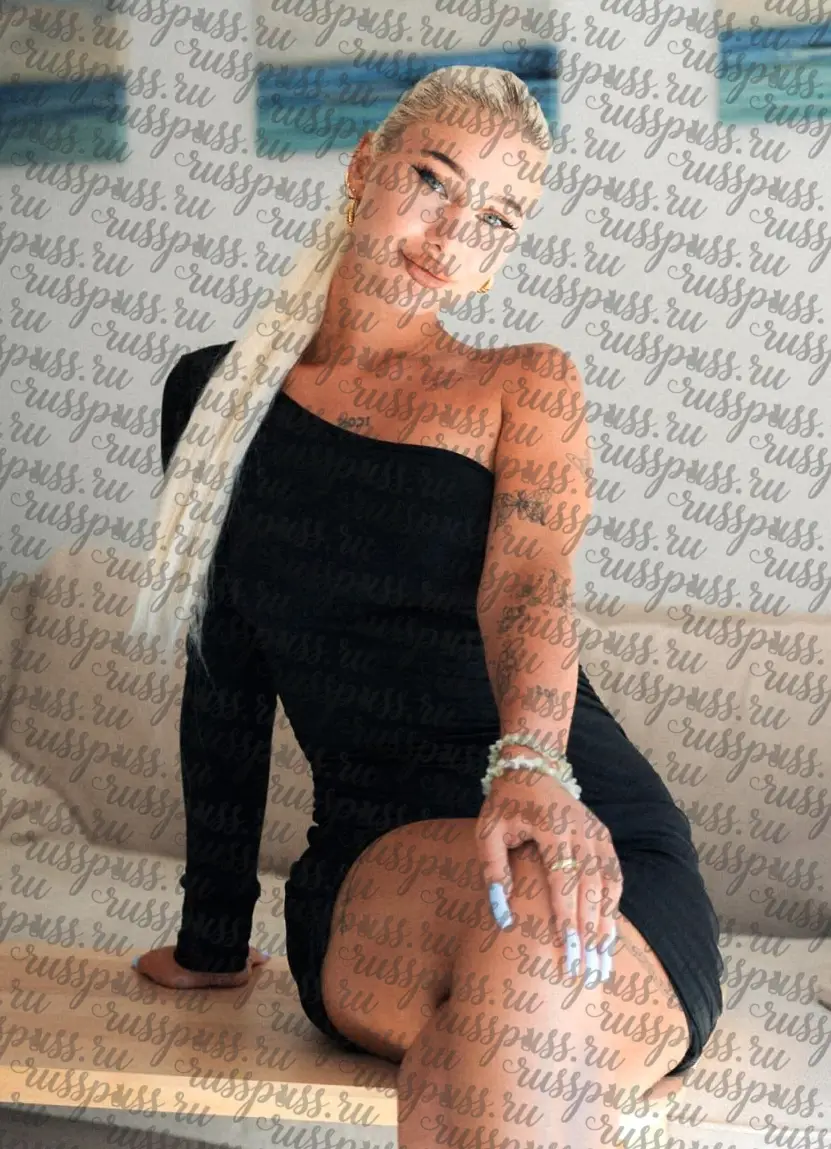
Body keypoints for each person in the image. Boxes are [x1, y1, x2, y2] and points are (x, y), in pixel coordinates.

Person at [130, 65, 723, 1147]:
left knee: (516, 987)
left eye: (497, 217)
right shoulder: (216, 395)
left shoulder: (524, 382)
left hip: (585, 822)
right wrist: (212, 937)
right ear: (366, 166)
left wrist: (531, 769)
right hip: (380, 848)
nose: (454, 233)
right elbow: (223, 676)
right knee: (526, 951)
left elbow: (529, 579)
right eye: (434, 181)